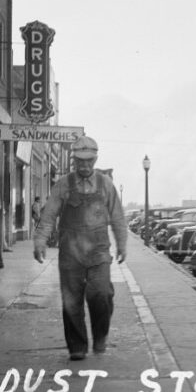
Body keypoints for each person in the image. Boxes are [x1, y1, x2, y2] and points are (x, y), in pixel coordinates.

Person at [33, 136, 127, 361]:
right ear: (73, 160)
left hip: (99, 252)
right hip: (70, 252)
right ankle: (77, 346)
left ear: (96, 159)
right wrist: (40, 241)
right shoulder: (63, 184)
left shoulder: (106, 184)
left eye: (89, 161)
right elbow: (48, 216)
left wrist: (122, 243)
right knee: (71, 301)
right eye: (80, 161)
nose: (84, 166)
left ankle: (101, 336)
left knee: (102, 294)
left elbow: (117, 218)